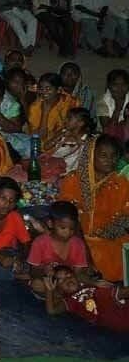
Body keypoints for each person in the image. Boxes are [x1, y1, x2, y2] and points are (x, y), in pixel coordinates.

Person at [56, 135, 129, 282]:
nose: (110, 160)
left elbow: (126, 216)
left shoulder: (121, 183)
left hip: (112, 239)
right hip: (78, 239)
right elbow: (68, 219)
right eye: (103, 155)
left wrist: (107, 233)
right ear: (90, 155)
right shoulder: (73, 181)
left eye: (114, 156)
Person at [43, 265, 129, 333]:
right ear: (59, 290)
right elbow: (52, 311)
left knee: (103, 291)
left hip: (115, 301)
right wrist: (49, 291)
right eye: (61, 280)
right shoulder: (70, 301)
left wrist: (94, 283)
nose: (67, 279)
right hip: (109, 317)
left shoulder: (91, 285)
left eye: (68, 275)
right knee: (102, 294)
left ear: (75, 277)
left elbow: (82, 275)